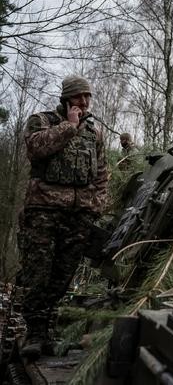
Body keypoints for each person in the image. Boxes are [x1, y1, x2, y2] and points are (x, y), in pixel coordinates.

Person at [16, 75, 108, 359]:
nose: (84, 102)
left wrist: (98, 204)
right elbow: (37, 148)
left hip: (79, 215)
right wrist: (69, 126)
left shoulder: (94, 132)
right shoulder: (41, 121)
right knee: (38, 272)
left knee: (63, 275)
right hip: (44, 210)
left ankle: (49, 331)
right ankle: (35, 332)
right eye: (79, 96)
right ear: (66, 98)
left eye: (87, 97)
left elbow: (102, 173)